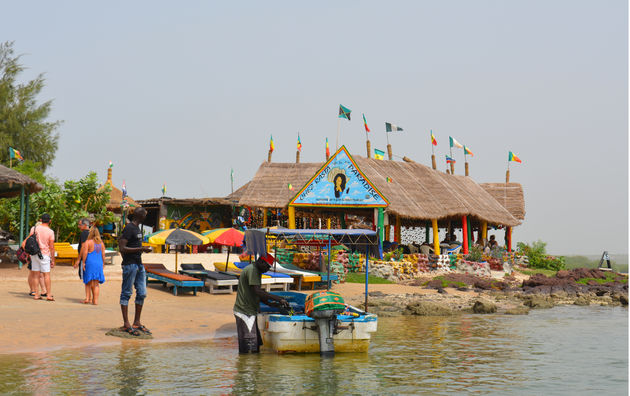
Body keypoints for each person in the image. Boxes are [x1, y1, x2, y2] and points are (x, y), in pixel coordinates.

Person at [233, 254, 289, 353]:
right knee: (250, 345)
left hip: (250, 311)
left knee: (256, 344)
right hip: (245, 312)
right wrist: (279, 299)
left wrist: (270, 303)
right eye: (267, 266)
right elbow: (258, 291)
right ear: (261, 262)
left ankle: (251, 366)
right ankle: (247, 366)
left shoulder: (255, 270)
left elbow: (254, 292)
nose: (267, 269)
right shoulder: (253, 271)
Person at [118, 208, 152, 336]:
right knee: (126, 293)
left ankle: (136, 322)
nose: (146, 215)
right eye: (144, 214)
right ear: (139, 215)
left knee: (142, 293)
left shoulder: (137, 228)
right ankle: (126, 323)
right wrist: (141, 248)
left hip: (139, 264)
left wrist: (140, 250)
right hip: (130, 265)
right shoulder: (129, 228)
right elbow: (122, 247)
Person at [26, 214, 55, 301]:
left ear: (41, 220)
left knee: (35, 275)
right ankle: (48, 295)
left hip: (34, 254)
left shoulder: (34, 229)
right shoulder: (50, 232)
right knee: (46, 275)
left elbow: (29, 240)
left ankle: (36, 294)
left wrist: (28, 254)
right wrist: (52, 259)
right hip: (44, 254)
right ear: (50, 221)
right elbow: (52, 247)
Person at [80, 226, 106, 305]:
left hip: (90, 262)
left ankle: (88, 298)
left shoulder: (88, 242)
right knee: (96, 283)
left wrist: (83, 262)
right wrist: (103, 263)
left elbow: (85, 253)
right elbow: (103, 255)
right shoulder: (101, 243)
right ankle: (95, 301)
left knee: (88, 281)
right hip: (98, 263)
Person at [73, 218, 91, 303]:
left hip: (85, 258)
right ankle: (90, 298)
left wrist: (79, 259)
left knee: (86, 278)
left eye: (80, 225)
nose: (79, 226)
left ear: (84, 225)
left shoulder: (84, 233)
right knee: (91, 279)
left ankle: (87, 298)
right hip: (91, 257)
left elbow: (83, 247)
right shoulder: (92, 233)